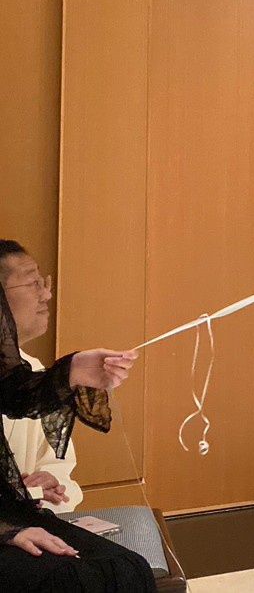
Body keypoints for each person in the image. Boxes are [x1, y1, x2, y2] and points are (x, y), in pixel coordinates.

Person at [0, 253, 154, 591]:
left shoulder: (28, 373)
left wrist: (74, 371)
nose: (46, 294)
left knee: (125, 568)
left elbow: (21, 396)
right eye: (33, 283)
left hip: (19, 514)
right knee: (70, 580)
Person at [1, 242, 82, 513]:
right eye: (33, 283)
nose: (46, 294)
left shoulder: (36, 373)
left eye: (43, 282)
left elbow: (61, 472)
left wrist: (50, 483)